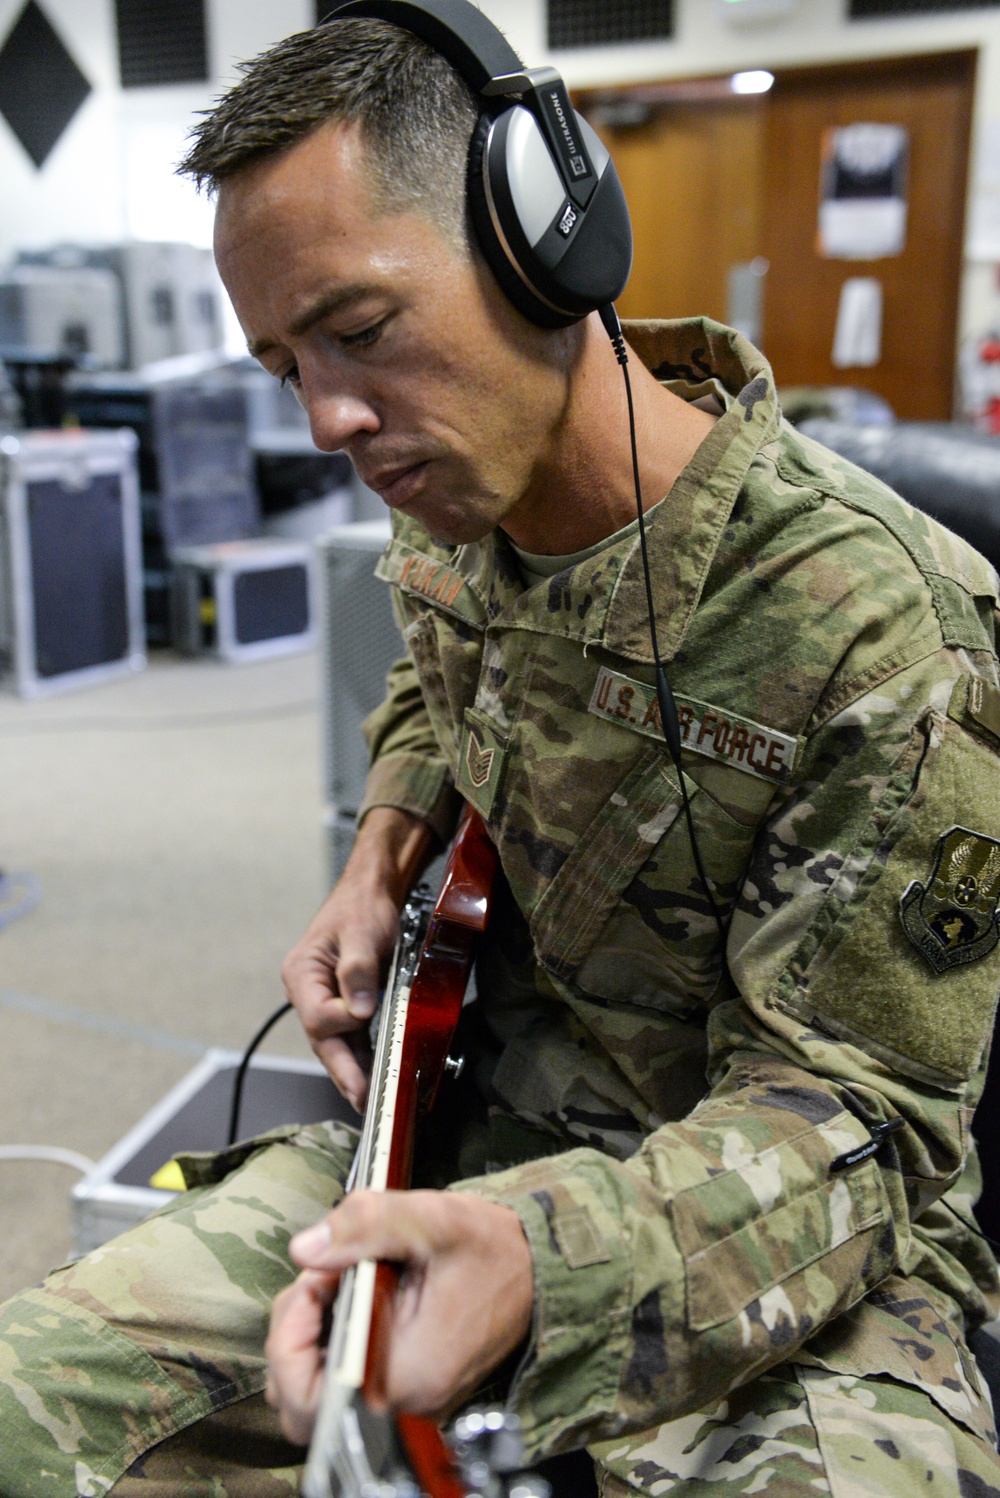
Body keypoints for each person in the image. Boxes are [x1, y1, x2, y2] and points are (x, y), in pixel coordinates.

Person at [3, 10, 1000, 1496]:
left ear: (547, 248)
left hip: (799, 1238)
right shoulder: (451, 509)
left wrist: (545, 1261)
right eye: (286, 364)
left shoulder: (882, 623)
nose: (332, 416)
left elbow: (861, 1120)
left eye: (361, 327)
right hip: (468, 1123)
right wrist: (379, 843)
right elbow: (433, 686)